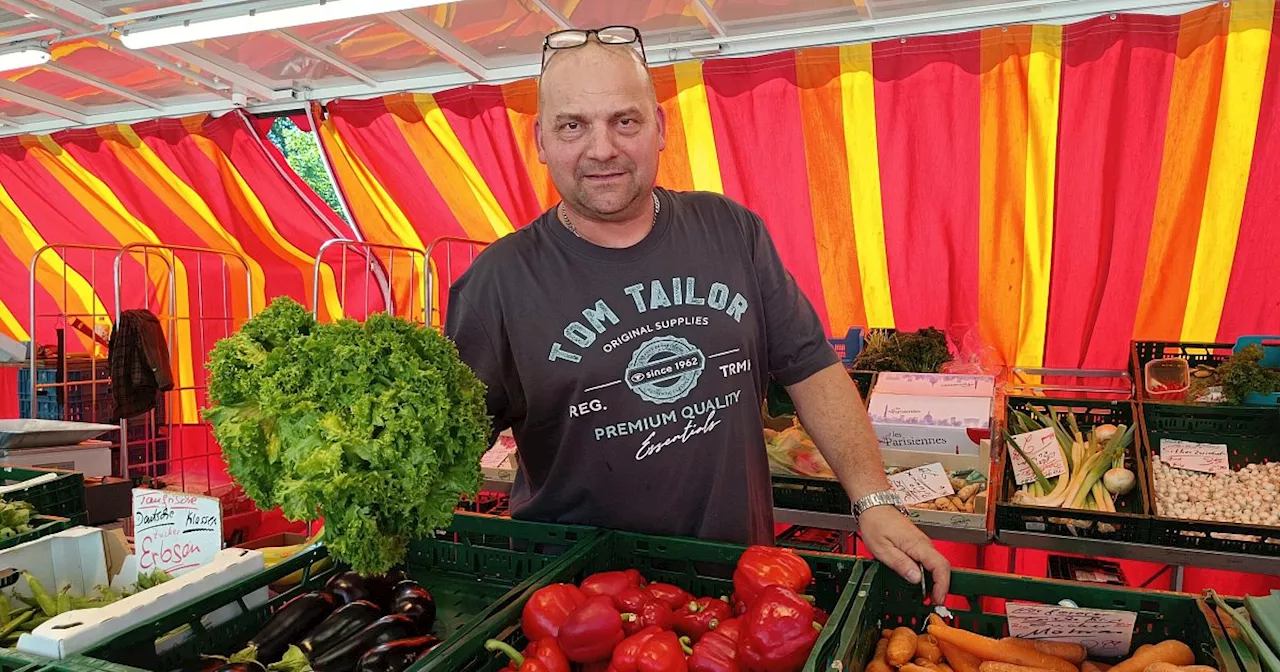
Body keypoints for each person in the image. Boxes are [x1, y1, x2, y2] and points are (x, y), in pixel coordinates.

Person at [445, 26, 950, 601]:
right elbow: (448, 450)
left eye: (624, 120)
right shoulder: (496, 285)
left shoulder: (730, 230)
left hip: (736, 584)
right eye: (573, 125)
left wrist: (874, 500)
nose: (602, 147)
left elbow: (810, 369)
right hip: (578, 607)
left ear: (660, 127)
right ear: (540, 139)